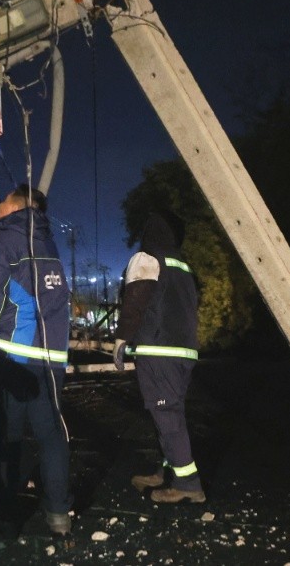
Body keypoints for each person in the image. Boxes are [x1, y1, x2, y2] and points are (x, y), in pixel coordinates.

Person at [0, 184, 73, 537]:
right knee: (51, 435)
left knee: (7, 436)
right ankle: (59, 515)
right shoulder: (45, 241)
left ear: (14, 208)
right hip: (51, 358)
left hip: (13, 355)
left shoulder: (6, 240)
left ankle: (7, 518)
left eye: (0, 207)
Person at [113, 210, 205, 503]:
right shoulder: (184, 268)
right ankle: (168, 471)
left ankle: (188, 484)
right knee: (167, 412)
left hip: (158, 350)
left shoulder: (147, 259)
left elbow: (135, 301)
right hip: (184, 352)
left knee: (166, 414)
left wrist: (121, 340)